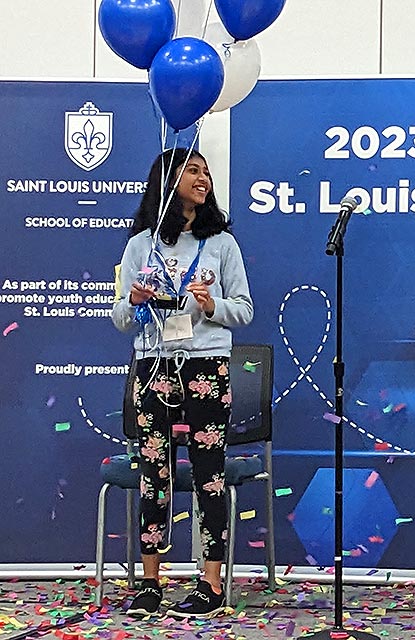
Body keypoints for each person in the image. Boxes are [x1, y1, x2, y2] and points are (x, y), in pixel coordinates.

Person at [111, 148, 253, 619]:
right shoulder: (140, 245)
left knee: (209, 472)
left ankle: (210, 582)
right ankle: (151, 582)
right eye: (193, 170)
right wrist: (132, 301)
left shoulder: (222, 244)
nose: (204, 178)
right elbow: (119, 320)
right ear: (168, 181)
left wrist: (212, 306)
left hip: (206, 365)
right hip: (153, 365)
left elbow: (245, 310)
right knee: (156, 475)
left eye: (207, 172)